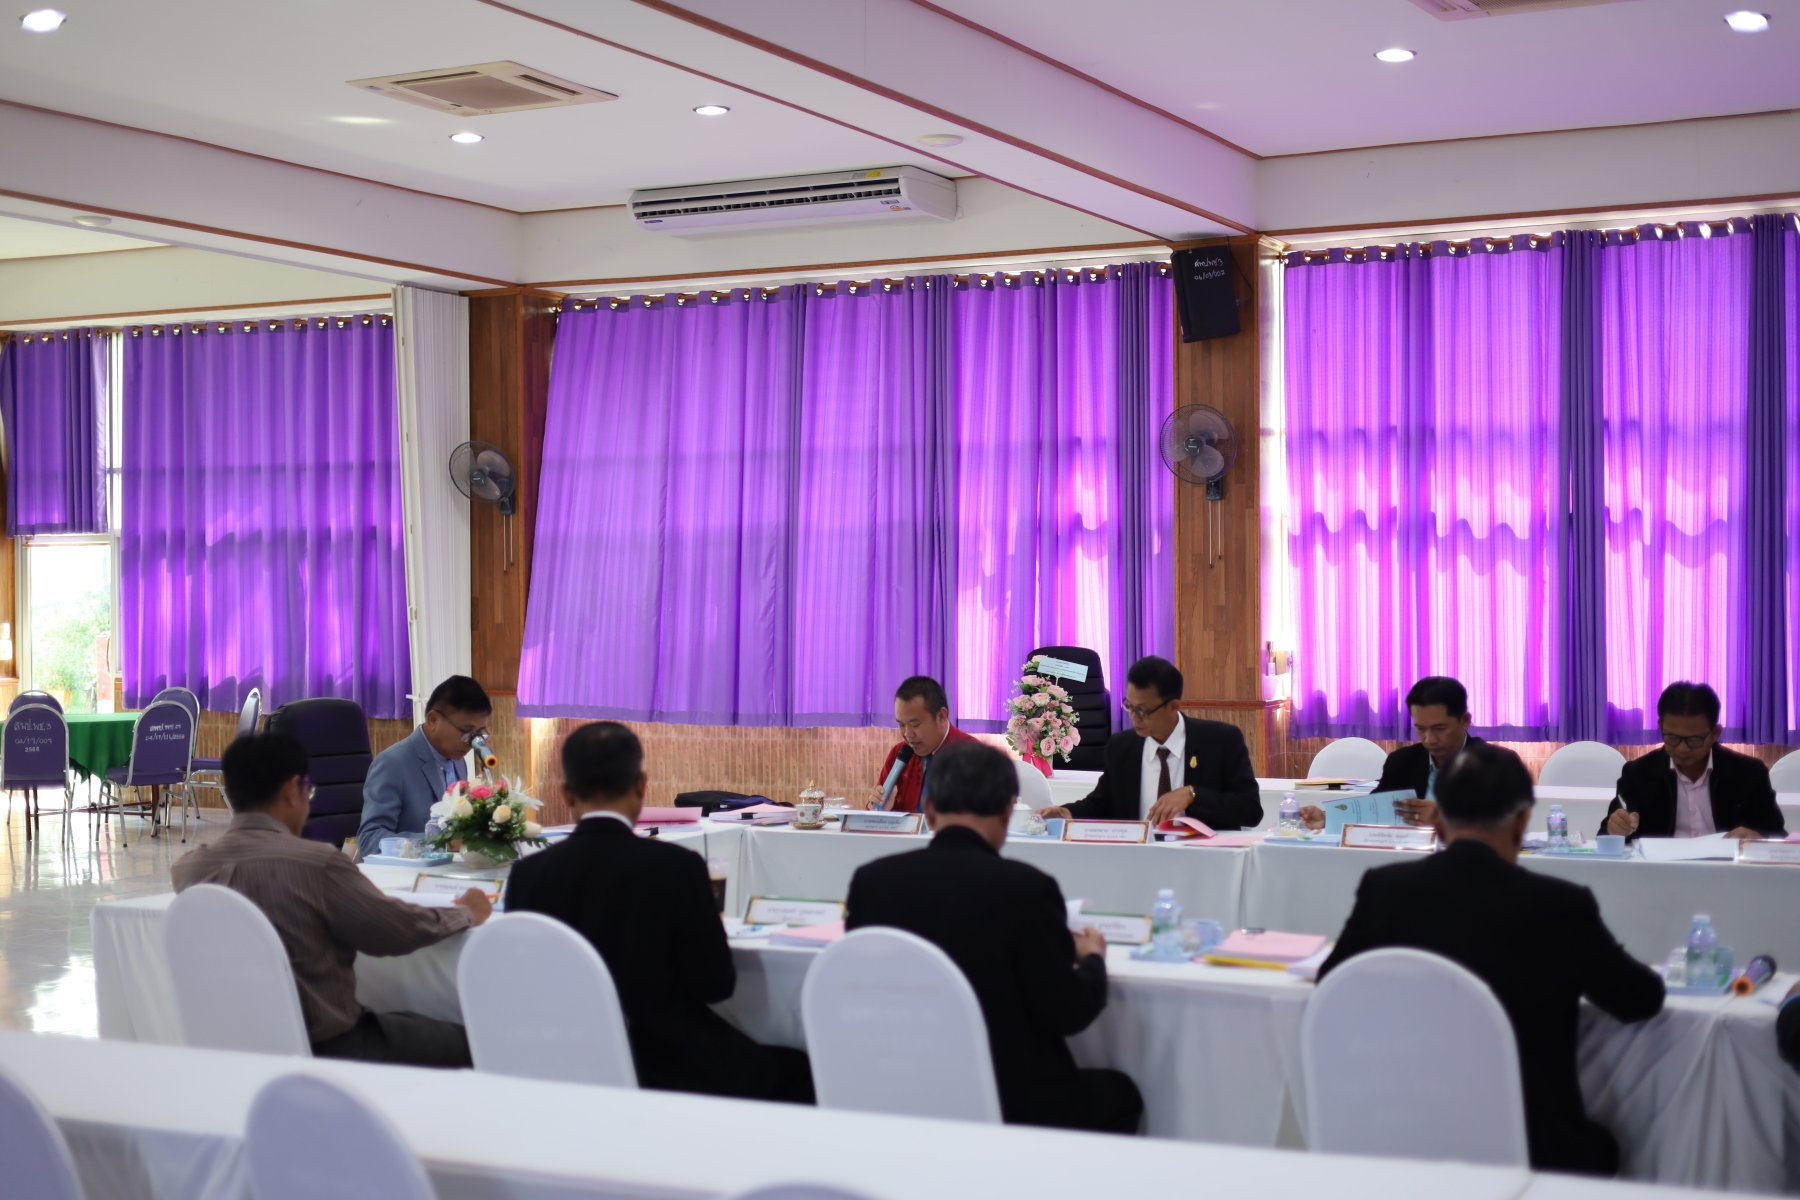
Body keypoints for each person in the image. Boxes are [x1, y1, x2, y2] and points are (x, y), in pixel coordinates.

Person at [1319, 743, 1663, 1175]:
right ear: (1522, 820)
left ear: (1437, 821)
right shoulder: (1560, 905)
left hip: (1403, 1136)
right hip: (1535, 1149)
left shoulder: (1383, 889)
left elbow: (1333, 983)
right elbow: (1640, 999)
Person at [505, 721, 814, 1103]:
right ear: (641, 785)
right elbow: (715, 985)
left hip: (565, 1062)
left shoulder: (527, 875)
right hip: (667, 1063)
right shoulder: (675, 867)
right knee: (800, 1072)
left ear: (566, 793)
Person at [846, 741, 1142, 1133]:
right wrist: (1092, 958)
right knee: (1122, 1095)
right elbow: (1067, 1013)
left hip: (900, 1087)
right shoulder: (1028, 890)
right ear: (1007, 812)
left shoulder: (871, 882)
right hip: (1010, 1099)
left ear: (929, 811)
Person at [172, 732, 490, 1065]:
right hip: (331, 1047)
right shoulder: (318, 864)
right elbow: (392, 930)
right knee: (478, 1043)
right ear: (291, 791)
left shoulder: (189, 869)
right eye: (307, 791)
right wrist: (463, 913)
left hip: (235, 1049)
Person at [1040, 655, 1260, 828]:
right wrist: (1069, 812)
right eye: (1130, 706)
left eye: (1143, 711)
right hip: (1139, 857)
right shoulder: (1121, 747)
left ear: (1173, 706)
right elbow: (1103, 803)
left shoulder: (1220, 741)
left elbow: (1250, 811)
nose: (1134, 718)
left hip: (1203, 859)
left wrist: (1194, 795)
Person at [1601, 681, 1786, 841]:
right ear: (1660, 726)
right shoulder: (1637, 773)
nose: (1682, 748)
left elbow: (1777, 835)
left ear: (1715, 733)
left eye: (1694, 740)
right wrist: (1615, 828)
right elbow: (1606, 836)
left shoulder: (1750, 773)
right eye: (1673, 737)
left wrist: (1759, 837)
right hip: (1661, 870)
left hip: (1729, 868)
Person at [1302, 675, 1483, 833]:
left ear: (1464, 721)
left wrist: (1444, 821)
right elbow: (1375, 811)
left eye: (1439, 728)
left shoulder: (1492, 767)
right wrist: (1327, 818)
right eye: (1421, 729)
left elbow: (1499, 828)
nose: (1429, 739)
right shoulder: (1402, 762)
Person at [357, 675, 492, 860]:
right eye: (465, 732)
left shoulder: (457, 759)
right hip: (408, 875)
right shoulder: (392, 764)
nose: (470, 743)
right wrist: (440, 842)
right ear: (433, 719)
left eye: (479, 733)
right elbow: (369, 840)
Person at [875, 675, 981, 812]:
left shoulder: (976, 757)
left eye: (915, 725)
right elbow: (873, 815)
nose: (907, 734)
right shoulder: (899, 753)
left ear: (941, 717)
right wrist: (881, 813)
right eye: (901, 725)